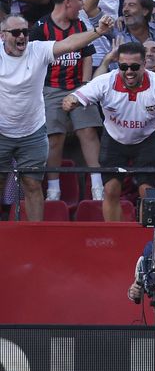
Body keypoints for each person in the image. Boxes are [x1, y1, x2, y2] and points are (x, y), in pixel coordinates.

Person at [62, 42, 155, 221]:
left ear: (144, 65)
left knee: (147, 192)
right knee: (110, 189)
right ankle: (115, 235)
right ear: (118, 65)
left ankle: (143, 236)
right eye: (124, 67)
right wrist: (70, 100)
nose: (129, 71)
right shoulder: (105, 81)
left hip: (147, 140)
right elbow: (78, 96)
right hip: (114, 139)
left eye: (134, 66)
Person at [0, 15, 112, 221]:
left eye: (25, 31)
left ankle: (35, 238)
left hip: (32, 133)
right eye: (16, 33)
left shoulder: (37, 50)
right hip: (1, 132)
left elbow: (69, 43)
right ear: (2, 35)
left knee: (32, 185)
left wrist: (98, 32)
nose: (22, 36)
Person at [33, 0, 107, 203]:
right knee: (54, 138)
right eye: (79, 0)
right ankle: (54, 192)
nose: (83, 5)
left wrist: (85, 86)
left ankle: (97, 188)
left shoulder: (81, 26)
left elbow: (87, 55)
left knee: (88, 132)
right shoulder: (41, 28)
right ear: (67, 3)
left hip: (78, 87)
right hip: (50, 88)